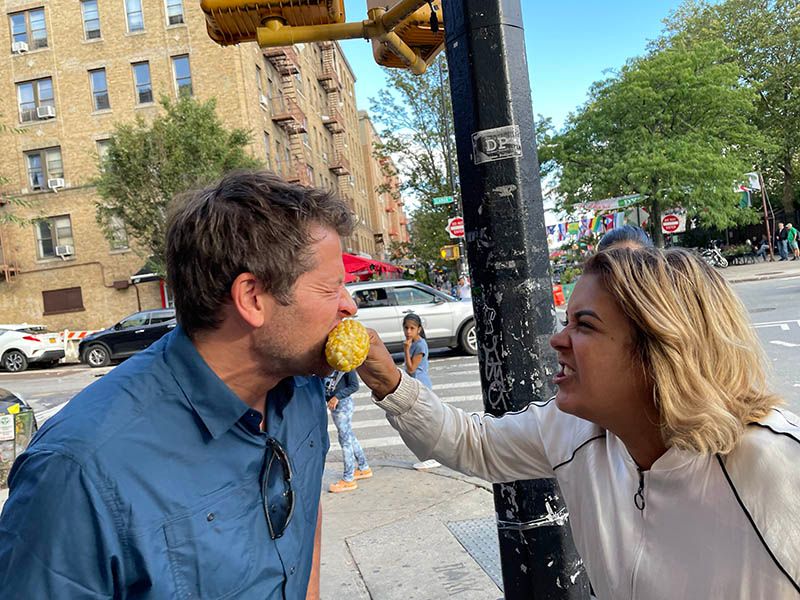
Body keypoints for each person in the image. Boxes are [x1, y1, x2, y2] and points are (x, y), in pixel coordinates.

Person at [358, 247, 800, 598]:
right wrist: (388, 381)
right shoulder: (573, 430)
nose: (557, 340)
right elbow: (472, 443)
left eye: (584, 325)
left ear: (663, 349)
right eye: (565, 321)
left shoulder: (778, 465)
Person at [0, 170, 358, 599]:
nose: (350, 306)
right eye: (331, 288)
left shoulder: (301, 389)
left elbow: (303, 512)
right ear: (252, 298)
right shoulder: (77, 472)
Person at [402, 313, 439, 470]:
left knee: (423, 424)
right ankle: (428, 456)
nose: (408, 332)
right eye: (406, 328)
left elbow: (411, 368)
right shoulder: (414, 343)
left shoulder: (419, 345)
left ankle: (432, 457)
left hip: (421, 386)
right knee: (418, 424)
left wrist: (406, 349)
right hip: (415, 385)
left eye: (412, 328)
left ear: (419, 329)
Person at [324, 370, 372, 493]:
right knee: (349, 436)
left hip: (343, 406)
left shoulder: (345, 366)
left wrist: (337, 397)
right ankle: (363, 467)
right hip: (335, 406)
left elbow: (354, 385)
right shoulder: (326, 365)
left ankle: (348, 479)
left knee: (345, 441)